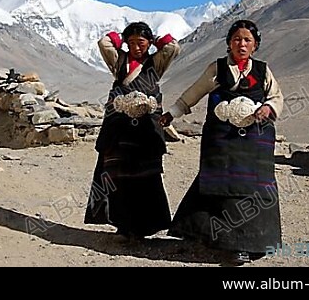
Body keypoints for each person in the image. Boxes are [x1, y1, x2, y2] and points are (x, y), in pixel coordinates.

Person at [160, 20, 284, 265]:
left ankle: (249, 244)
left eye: (247, 40)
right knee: (219, 184)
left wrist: (268, 108)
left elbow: (276, 96)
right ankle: (210, 237)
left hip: (253, 143)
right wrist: (172, 113)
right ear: (229, 43)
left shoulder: (262, 70)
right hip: (222, 140)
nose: (242, 44)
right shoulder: (216, 68)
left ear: (255, 45)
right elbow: (194, 93)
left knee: (253, 189)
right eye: (237, 39)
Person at [84, 21, 180, 241]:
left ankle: (144, 227)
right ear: (126, 43)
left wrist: (156, 39)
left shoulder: (155, 63)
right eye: (132, 42)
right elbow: (104, 43)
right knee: (118, 175)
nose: (137, 47)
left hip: (146, 129)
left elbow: (173, 48)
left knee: (146, 176)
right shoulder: (119, 61)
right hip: (119, 128)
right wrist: (120, 37)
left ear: (149, 43)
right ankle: (122, 225)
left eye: (142, 42)